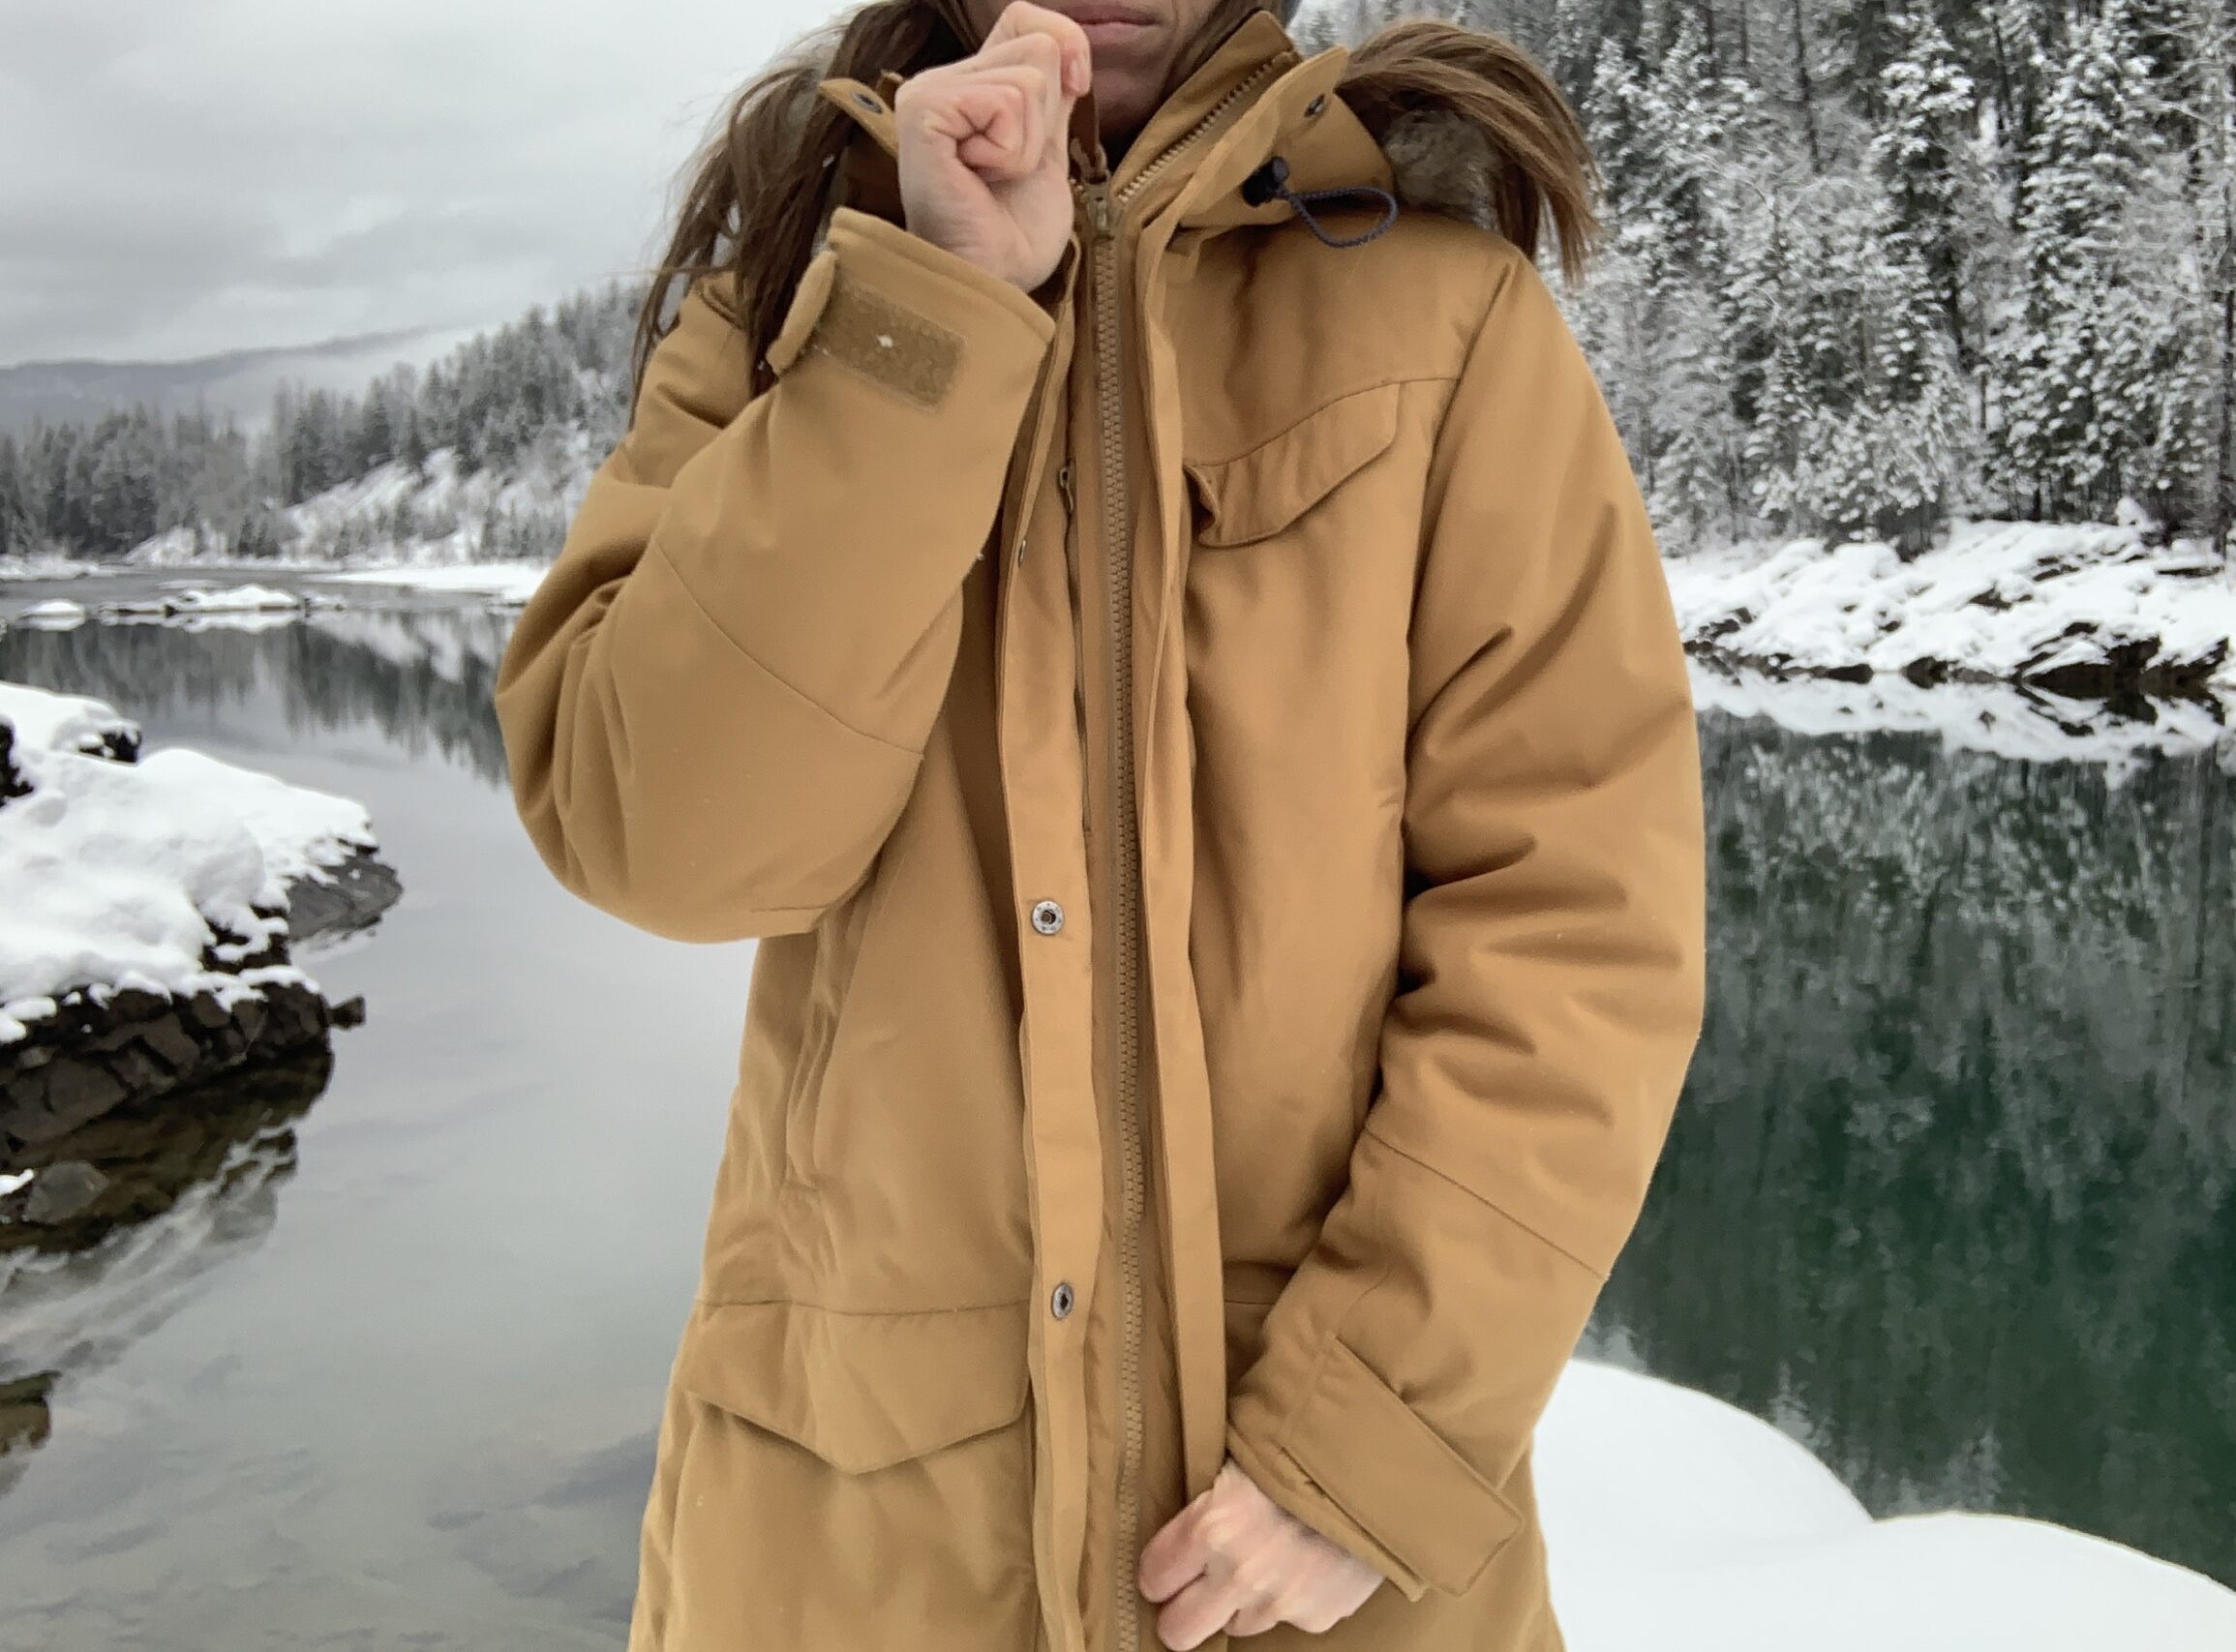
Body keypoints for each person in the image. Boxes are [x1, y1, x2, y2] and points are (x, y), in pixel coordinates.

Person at [491, 0, 1705, 1647]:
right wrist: (932, 318)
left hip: (1313, 1553)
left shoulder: (1442, 311)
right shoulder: (795, 298)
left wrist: (1371, 1443)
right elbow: (670, 844)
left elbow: (1577, 923)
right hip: (848, 1542)